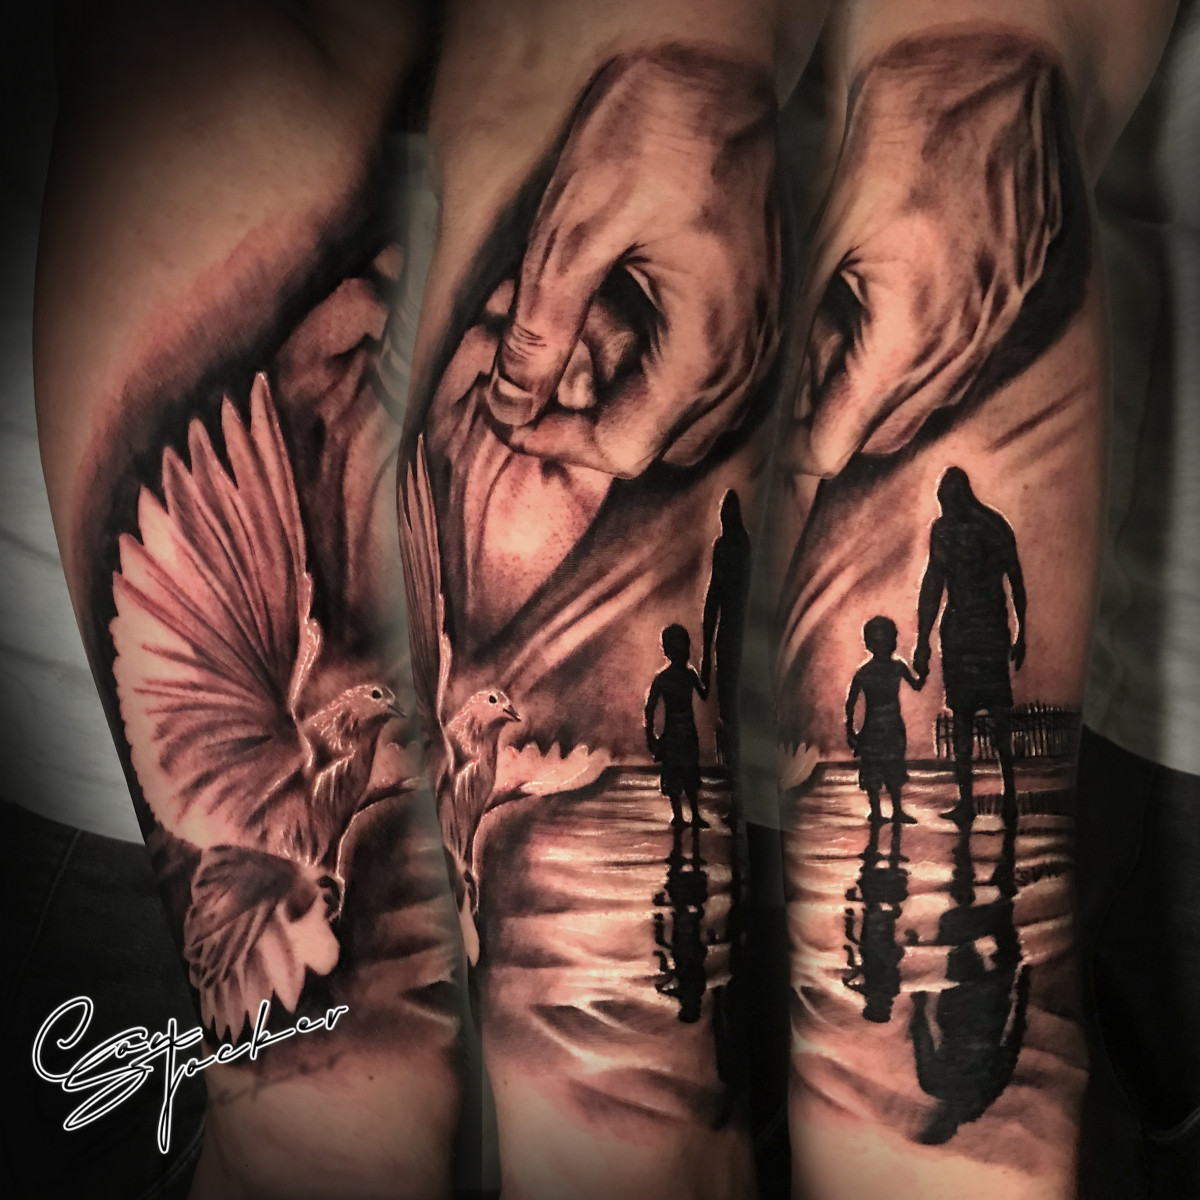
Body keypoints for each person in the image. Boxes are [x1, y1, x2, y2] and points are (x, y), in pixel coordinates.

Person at [914, 467, 1027, 825]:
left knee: (988, 717)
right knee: (972, 717)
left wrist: (1023, 632)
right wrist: (922, 640)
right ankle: (978, 800)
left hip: (979, 630)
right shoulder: (983, 526)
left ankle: (1001, 798)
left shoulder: (977, 528)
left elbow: (1015, 578)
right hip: (971, 631)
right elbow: (933, 585)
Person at [845, 615, 923, 824]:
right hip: (873, 729)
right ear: (869, 644)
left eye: (889, 639)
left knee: (893, 768)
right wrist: (850, 731)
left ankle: (897, 810)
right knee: (872, 771)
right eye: (880, 640)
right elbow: (850, 703)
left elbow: (916, 685)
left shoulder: (897, 668)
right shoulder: (865, 673)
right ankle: (877, 812)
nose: (885, 645)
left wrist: (923, 670)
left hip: (892, 728)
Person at [702, 490, 753, 766]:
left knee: (731, 703)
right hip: (741, 633)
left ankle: (734, 762)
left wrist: (705, 652)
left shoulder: (726, 548)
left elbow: (714, 597)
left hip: (731, 633)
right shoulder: (744, 549)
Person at [646, 624, 711, 829]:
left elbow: (650, 708)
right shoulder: (681, 676)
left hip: (679, 732)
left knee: (683, 772)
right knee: (679, 773)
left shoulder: (671, 677)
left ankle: (687, 816)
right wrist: (650, 734)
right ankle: (684, 816)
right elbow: (704, 693)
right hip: (679, 731)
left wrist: (650, 734)